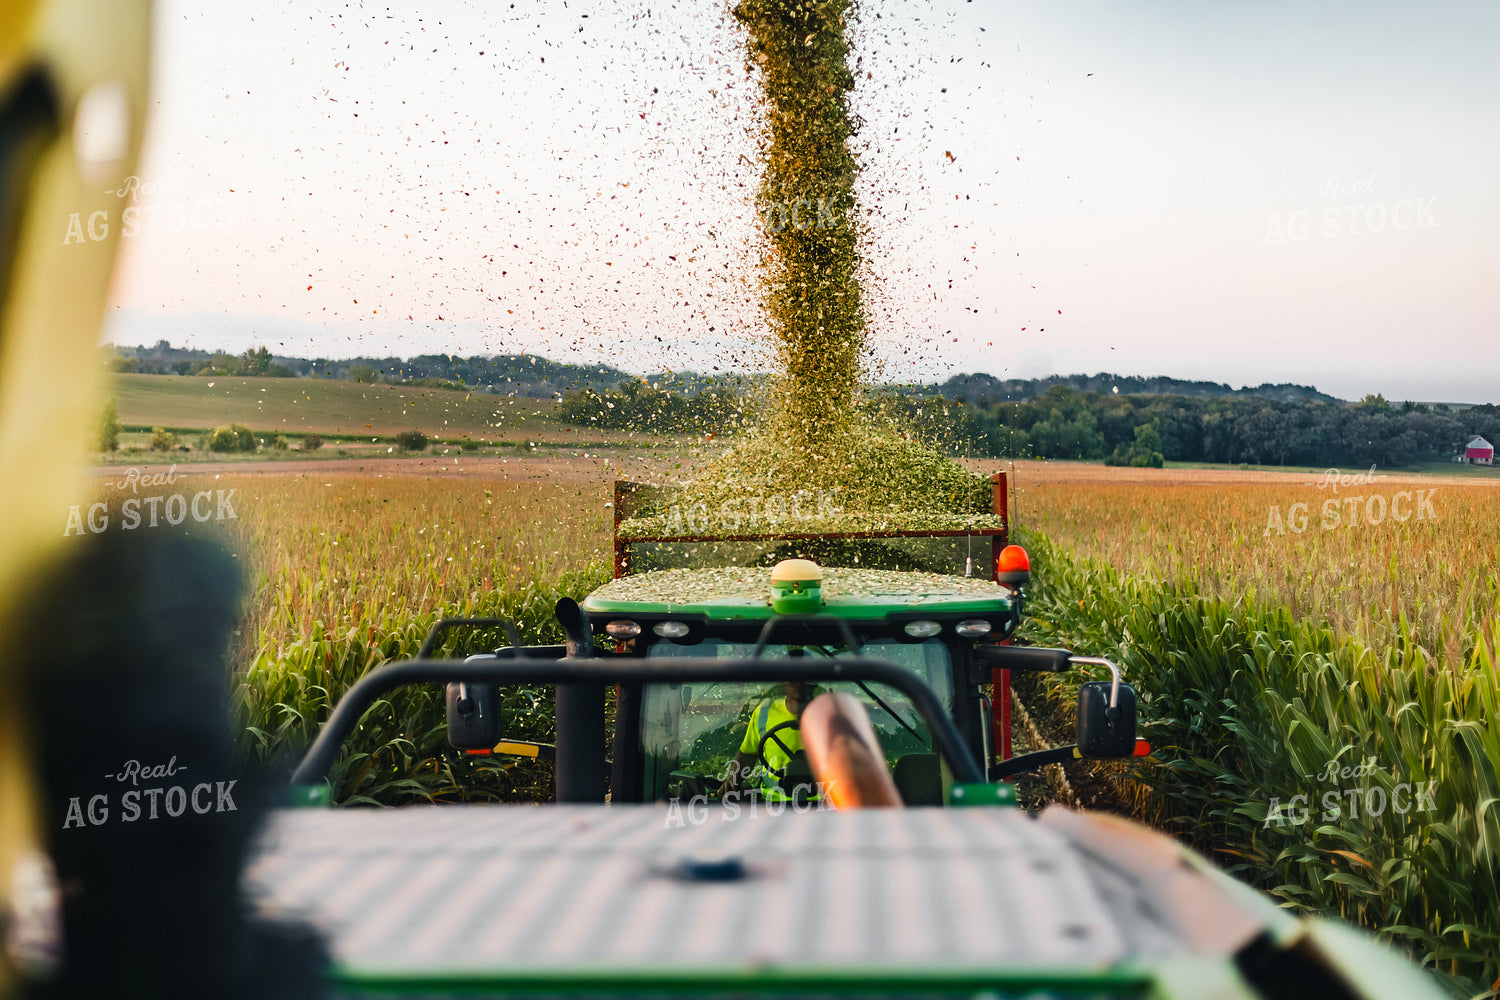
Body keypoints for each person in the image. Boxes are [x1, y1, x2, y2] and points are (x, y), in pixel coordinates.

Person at [721, 680, 820, 802]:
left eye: (805, 682)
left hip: (823, 801)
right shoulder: (764, 712)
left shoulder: (831, 715)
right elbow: (748, 753)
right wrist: (733, 779)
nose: (799, 690)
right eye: (794, 682)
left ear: (814, 686)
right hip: (771, 801)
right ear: (785, 685)